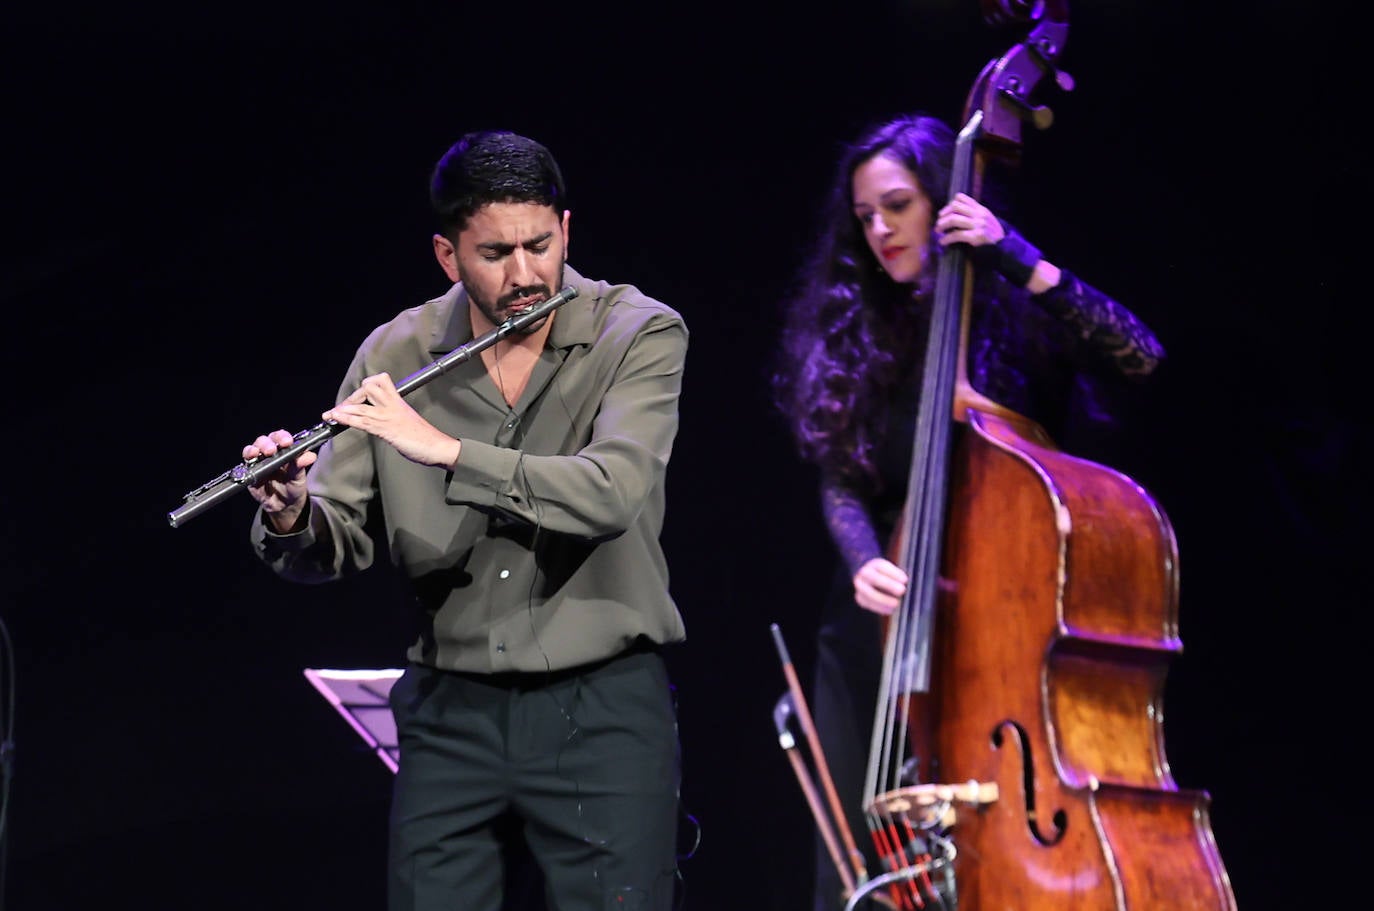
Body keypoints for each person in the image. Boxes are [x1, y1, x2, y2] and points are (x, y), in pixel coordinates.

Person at [241, 129, 689, 911]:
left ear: (567, 231)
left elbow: (613, 490)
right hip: (452, 716)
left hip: (603, 709)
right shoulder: (396, 351)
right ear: (448, 256)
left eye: (540, 245)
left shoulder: (637, 332)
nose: (525, 274)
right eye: (495, 254)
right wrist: (292, 512)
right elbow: (337, 537)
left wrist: (448, 451)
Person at [769, 113, 1167, 911]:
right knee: (857, 857)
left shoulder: (1010, 311)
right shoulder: (858, 326)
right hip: (880, 625)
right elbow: (841, 477)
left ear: (944, 199)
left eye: (898, 205)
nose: (880, 230)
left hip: (1003, 628)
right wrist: (862, 560)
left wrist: (1014, 256)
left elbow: (1139, 353)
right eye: (866, 217)